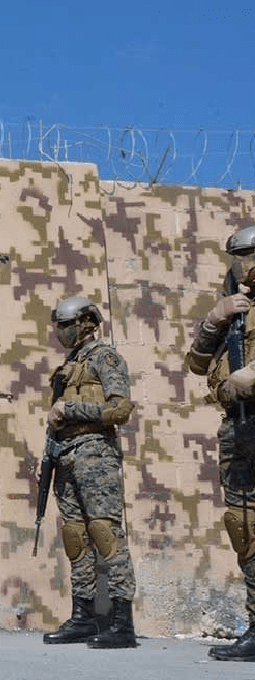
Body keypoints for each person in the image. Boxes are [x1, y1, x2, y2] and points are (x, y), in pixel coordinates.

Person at [38, 296, 138, 649]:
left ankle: (123, 623)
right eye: (59, 326)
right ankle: (84, 617)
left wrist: (71, 408)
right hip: (66, 455)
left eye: (66, 325)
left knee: (105, 532)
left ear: (85, 323)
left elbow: (120, 409)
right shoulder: (68, 366)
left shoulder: (105, 357)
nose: (61, 332)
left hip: (96, 453)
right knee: (76, 538)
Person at [186, 224, 255, 661]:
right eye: (238, 256)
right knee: (244, 526)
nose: (241, 265)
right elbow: (195, 363)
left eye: (246, 255)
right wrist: (216, 318)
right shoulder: (237, 307)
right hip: (238, 426)